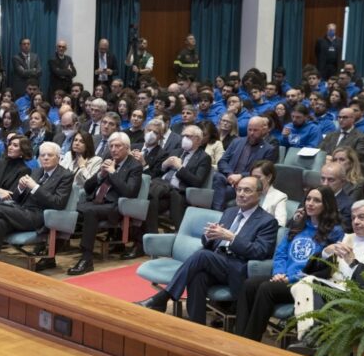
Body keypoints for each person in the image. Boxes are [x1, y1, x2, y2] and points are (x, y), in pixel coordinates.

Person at [139, 176, 279, 324]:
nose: (241, 194)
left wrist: (232, 238)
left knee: (202, 256)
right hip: (216, 261)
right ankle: (197, 325)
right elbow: (209, 243)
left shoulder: (267, 221)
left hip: (237, 267)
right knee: (198, 276)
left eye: (247, 190)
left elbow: (261, 251)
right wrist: (208, 236)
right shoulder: (230, 211)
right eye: (239, 189)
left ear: (259, 194)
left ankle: (164, 297)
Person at [235, 186, 344, 341]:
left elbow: (323, 268)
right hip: (283, 277)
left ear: (327, 204)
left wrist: (290, 278)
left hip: (304, 283)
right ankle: (238, 337)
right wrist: (278, 273)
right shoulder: (298, 224)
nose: (310, 203)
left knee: (266, 288)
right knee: (250, 284)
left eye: (317, 200)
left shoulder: (335, 232)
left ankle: (251, 340)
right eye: (308, 199)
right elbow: (281, 253)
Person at [289, 200, 364, 350]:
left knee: (307, 285)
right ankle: (312, 339)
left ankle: (311, 338)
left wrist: (353, 263)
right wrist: (326, 253)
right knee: (306, 282)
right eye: (353, 218)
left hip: (359, 297)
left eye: (362, 217)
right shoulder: (347, 237)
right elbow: (313, 269)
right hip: (331, 288)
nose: (356, 222)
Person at [0, 141, 74, 260]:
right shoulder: (36, 172)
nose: (45, 158)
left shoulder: (65, 175)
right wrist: (20, 188)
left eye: (50, 155)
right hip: (22, 211)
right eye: (42, 155)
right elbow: (16, 199)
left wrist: (35, 187)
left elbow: (58, 203)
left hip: (40, 216)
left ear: (58, 158)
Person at [124, 125, 211, 259]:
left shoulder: (204, 157)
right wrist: (165, 165)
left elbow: (197, 182)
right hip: (161, 189)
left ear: (198, 140)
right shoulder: (176, 151)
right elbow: (157, 172)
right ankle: (147, 244)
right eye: (183, 136)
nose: (184, 139)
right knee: (149, 200)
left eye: (188, 136)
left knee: (147, 199)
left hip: (177, 192)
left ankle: (143, 245)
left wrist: (180, 168)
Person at [67, 132, 144, 275]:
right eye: (111, 146)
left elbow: (129, 192)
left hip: (116, 206)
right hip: (96, 202)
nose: (113, 149)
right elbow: (87, 187)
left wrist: (113, 173)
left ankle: (86, 258)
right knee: (69, 208)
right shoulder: (108, 159)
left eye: (118, 146)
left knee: (91, 213)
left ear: (127, 148)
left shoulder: (134, 166)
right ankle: (53, 250)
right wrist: (100, 174)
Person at [211, 116, 277, 210]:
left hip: (247, 183)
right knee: (217, 176)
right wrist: (230, 174)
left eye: (255, 130)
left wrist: (241, 176)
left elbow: (262, 172)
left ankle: (216, 211)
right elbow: (222, 161)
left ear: (263, 130)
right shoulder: (237, 142)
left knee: (222, 191)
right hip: (228, 178)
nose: (252, 133)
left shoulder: (269, 149)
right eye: (249, 130)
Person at [251, 160, 288, 226]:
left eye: (258, 177)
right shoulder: (247, 192)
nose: (254, 180)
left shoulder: (279, 197)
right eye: (252, 177)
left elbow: (280, 223)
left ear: (269, 177)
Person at [320, 162, 353, 232]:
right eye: (323, 179)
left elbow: (344, 230)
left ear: (343, 182)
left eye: (331, 180)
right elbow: (293, 222)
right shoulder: (311, 197)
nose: (325, 183)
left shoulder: (348, 205)